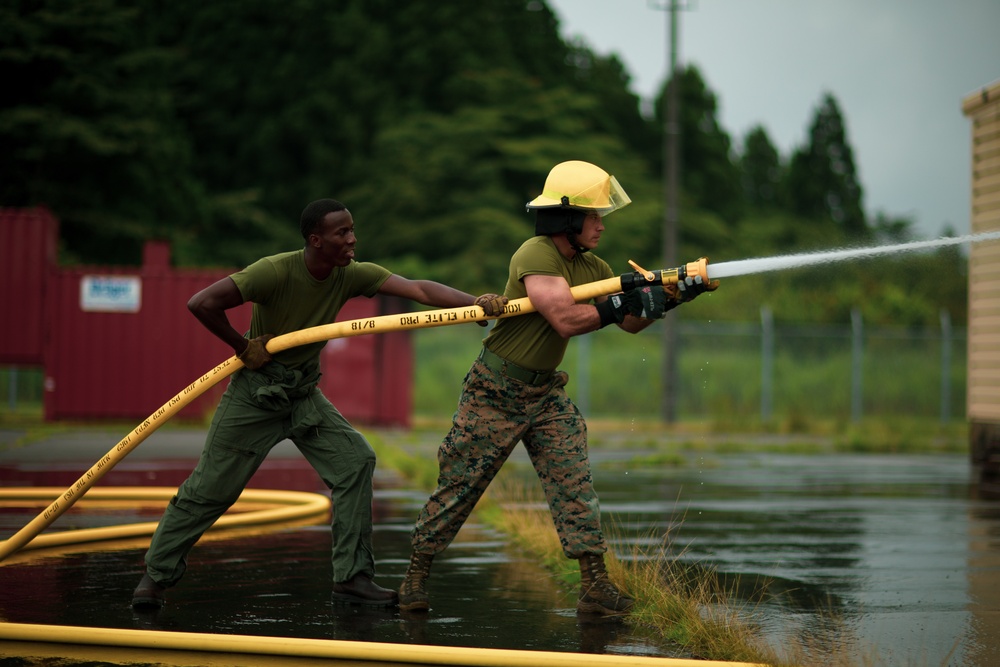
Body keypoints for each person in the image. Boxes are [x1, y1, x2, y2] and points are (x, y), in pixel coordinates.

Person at [131, 198, 507, 609]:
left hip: (303, 394)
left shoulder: (347, 274)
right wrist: (244, 347)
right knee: (211, 490)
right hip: (256, 395)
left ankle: (352, 579)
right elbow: (201, 303)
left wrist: (474, 302)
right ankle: (154, 579)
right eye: (342, 232)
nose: (352, 239)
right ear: (315, 240)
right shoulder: (273, 271)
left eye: (351, 230)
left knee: (355, 461)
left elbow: (417, 289)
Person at [398, 160, 716, 615]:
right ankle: (415, 577)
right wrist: (622, 303)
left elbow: (628, 323)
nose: (601, 225)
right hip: (495, 389)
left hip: (545, 394)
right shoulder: (535, 255)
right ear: (567, 218)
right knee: (460, 485)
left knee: (574, 482)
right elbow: (565, 318)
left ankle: (594, 586)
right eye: (593, 216)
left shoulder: (592, 266)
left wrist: (674, 295)